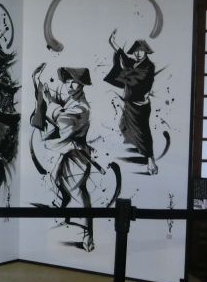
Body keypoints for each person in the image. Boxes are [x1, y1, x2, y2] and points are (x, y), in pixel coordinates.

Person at [32, 64, 98, 252]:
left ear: (82, 85)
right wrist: (39, 85)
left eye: (74, 83)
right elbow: (58, 101)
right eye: (68, 81)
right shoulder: (72, 98)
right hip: (66, 150)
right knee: (56, 179)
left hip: (77, 154)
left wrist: (48, 102)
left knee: (80, 191)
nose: (70, 85)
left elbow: (62, 120)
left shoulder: (82, 107)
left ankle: (88, 234)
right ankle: (65, 205)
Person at [105, 31, 158, 175]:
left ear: (146, 51)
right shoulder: (133, 64)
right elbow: (122, 56)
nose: (138, 54)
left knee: (144, 132)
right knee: (123, 125)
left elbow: (139, 80)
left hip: (140, 106)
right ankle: (137, 149)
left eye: (141, 51)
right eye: (136, 51)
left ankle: (151, 160)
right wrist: (113, 42)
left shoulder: (149, 66)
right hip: (130, 104)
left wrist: (127, 74)